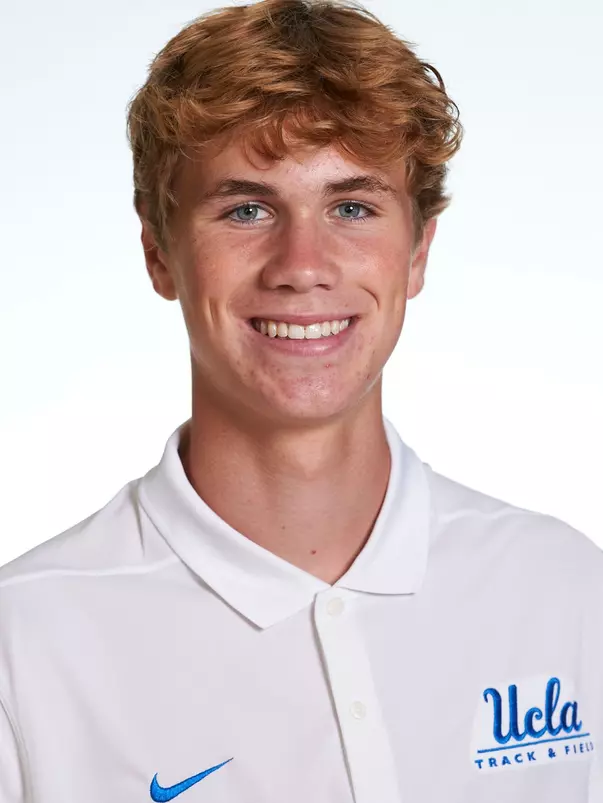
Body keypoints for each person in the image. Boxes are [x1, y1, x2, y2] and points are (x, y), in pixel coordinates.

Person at [1, 0, 601, 800]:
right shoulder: (26, 646)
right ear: (159, 252)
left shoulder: (562, 590)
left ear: (417, 252)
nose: (302, 264)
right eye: (246, 209)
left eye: (351, 207)